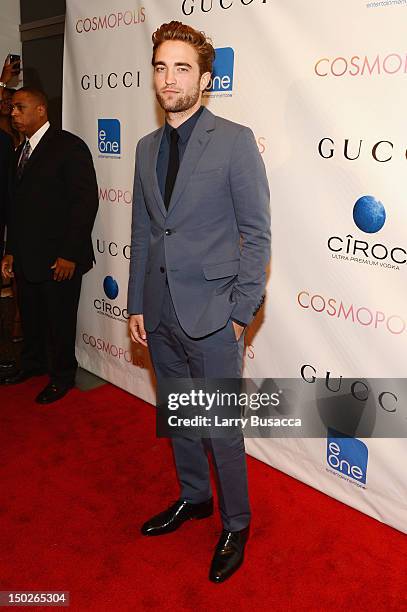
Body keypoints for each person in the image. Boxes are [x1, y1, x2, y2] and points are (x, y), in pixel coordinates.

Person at [127, 21, 271, 583]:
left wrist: (240, 314)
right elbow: (143, 230)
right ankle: (195, 497)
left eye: (182, 67)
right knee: (180, 416)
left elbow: (256, 235)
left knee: (221, 427)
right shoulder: (144, 148)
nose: (169, 78)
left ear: (205, 78)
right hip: (160, 311)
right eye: (161, 67)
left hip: (214, 315)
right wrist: (138, 302)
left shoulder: (234, 140)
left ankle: (236, 523)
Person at [0, 87, 98, 403]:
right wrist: (11, 250)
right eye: (12, 108)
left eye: (19, 107)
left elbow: (84, 204)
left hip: (60, 259)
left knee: (59, 320)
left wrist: (69, 253)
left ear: (41, 110)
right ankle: (33, 364)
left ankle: (62, 376)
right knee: (31, 317)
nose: (13, 113)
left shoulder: (69, 147)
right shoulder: (20, 152)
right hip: (27, 258)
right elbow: (15, 208)